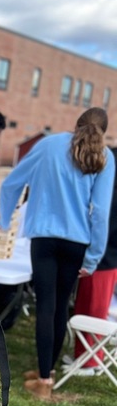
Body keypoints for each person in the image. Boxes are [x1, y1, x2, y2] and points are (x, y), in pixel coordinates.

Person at [0, 108, 115, 399]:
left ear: (76, 124)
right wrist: (93, 257)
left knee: (46, 306)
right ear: (103, 131)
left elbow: (13, 182)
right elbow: (100, 213)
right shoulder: (104, 156)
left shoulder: (48, 144)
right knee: (61, 306)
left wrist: (4, 221)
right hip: (77, 243)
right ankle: (46, 372)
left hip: (44, 239)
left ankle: (44, 379)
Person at [67, 145, 117, 373]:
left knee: (94, 308)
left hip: (106, 253)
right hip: (102, 250)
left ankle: (90, 361)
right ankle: (83, 355)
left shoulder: (110, 160)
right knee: (86, 304)